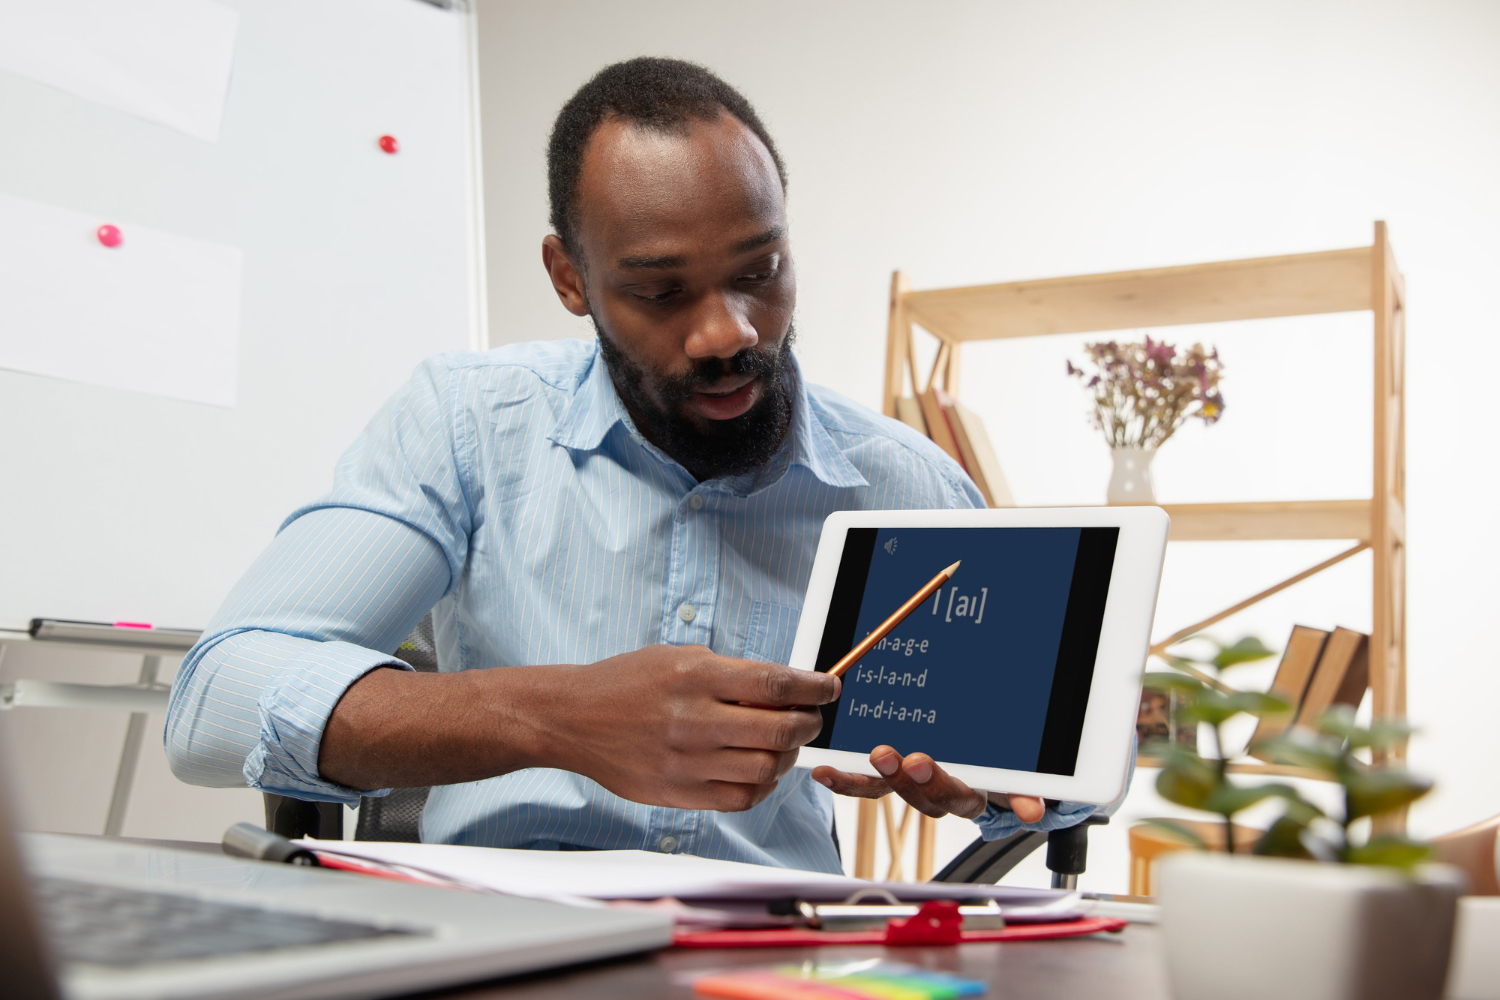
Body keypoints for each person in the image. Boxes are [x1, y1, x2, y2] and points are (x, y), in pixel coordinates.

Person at [165, 57, 1099, 873]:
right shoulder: (467, 425)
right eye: (660, 290)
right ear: (569, 277)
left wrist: (1003, 787)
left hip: (778, 954)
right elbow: (213, 702)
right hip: (506, 942)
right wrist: (558, 716)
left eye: (760, 269)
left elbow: (1060, 790)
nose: (729, 330)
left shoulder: (913, 485)